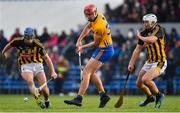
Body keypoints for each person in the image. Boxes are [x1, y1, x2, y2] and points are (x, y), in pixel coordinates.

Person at [64, 4, 114, 108]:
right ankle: (103, 95)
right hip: (103, 48)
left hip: (105, 49)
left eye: (90, 14)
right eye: (86, 15)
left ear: (95, 12)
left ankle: (79, 98)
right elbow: (88, 27)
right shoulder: (97, 16)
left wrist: (82, 47)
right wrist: (79, 40)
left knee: (86, 71)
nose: (88, 17)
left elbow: (95, 43)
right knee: (91, 73)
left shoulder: (100, 26)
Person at [2, 27, 57, 109]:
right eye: (28, 38)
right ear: (25, 36)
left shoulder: (38, 45)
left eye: (31, 38)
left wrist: (53, 72)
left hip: (38, 65)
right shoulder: (18, 41)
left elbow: (47, 58)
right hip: (25, 65)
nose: (30, 40)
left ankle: (47, 100)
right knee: (30, 81)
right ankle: (37, 99)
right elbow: (9, 45)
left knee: (45, 90)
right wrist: (4, 52)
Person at [128, 14, 167, 109]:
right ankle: (149, 97)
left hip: (160, 61)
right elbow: (137, 49)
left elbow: (151, 40)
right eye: (144, 22)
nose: (145, 24)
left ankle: (159, 95)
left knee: (145, 80)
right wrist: (131, 63)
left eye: (147, 22)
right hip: (149, 61)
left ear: (153, 22)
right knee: (139, 83)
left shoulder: (159, 29)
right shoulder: (143, 33)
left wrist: (140, 37)